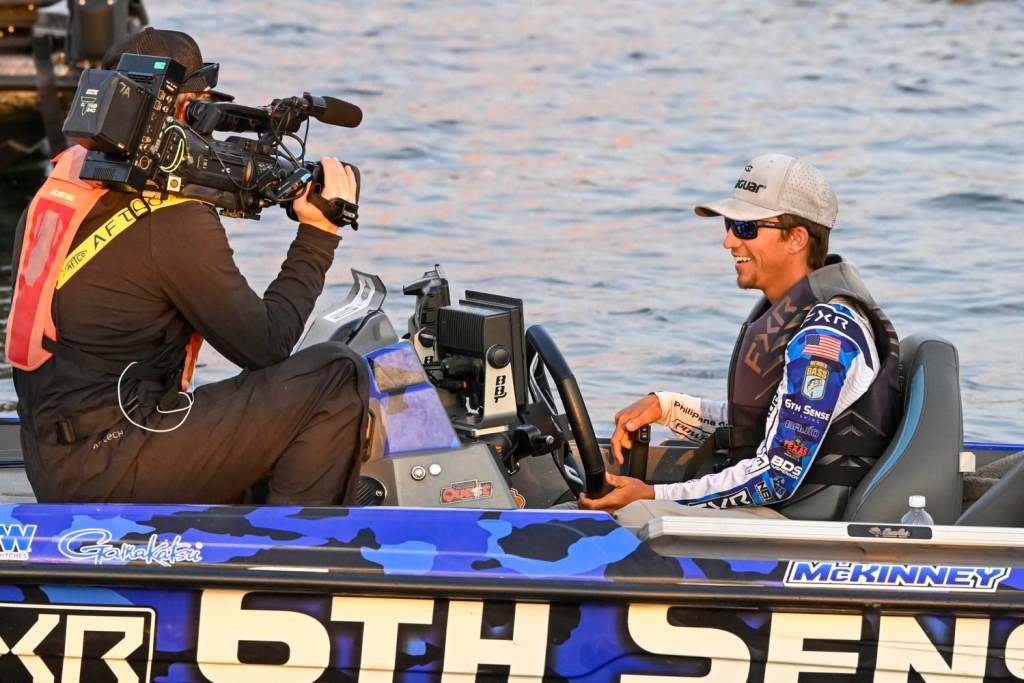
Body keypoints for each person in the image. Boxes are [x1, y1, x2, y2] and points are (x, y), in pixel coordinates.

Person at [5, 28, 370, 505]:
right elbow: (267, 345)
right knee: (337, 373)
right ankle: (292, 545)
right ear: (185, 111)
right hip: (109, 465)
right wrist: (319, 232)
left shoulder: (63, 185)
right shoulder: (169, 220)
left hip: (57, 457)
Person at [580, 154, 901, 519]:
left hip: (800, 525)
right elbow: (760, 426)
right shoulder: (801, 316)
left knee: (625, 520)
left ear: (796, 238)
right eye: (729, 225)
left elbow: (778, 474)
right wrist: (667, 408)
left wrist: (654, 496)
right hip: (776, 513)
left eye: (746, 228)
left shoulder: (825, 338)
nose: (729, 241)